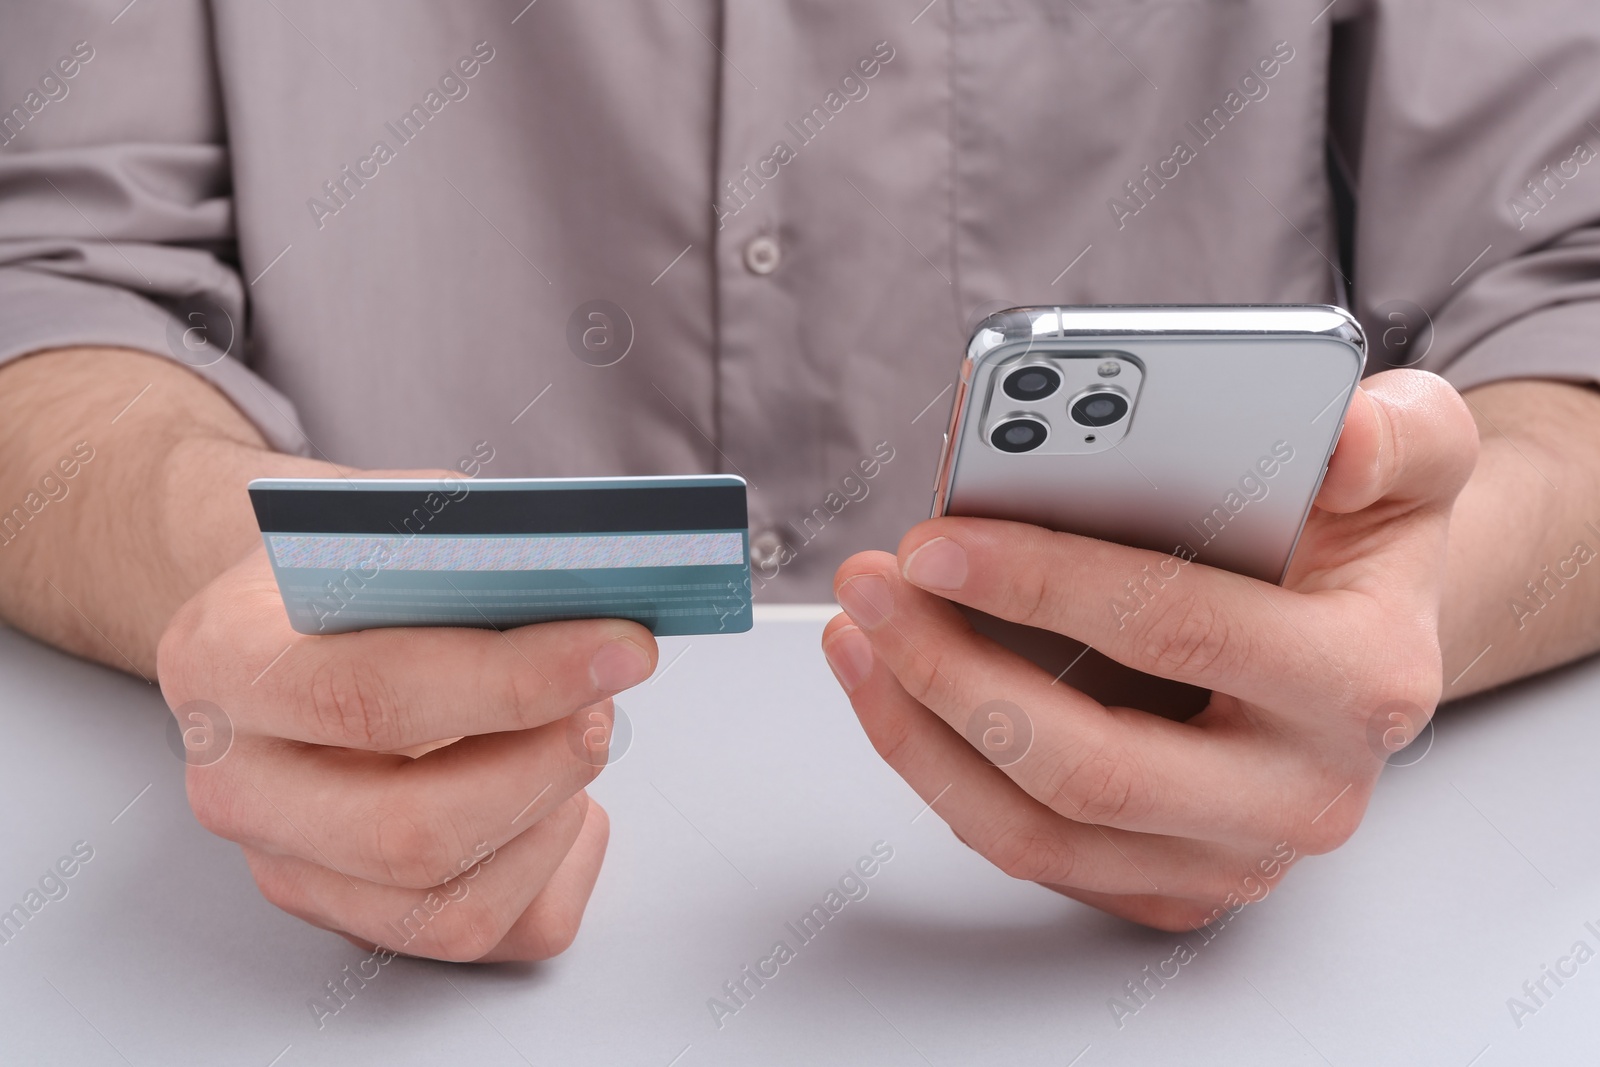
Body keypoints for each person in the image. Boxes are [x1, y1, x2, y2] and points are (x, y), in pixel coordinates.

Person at [1, 1, 1596, 958]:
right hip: (318, 965)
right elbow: (47, 286)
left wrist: (1410, 594)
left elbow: (1572, 295)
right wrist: (262, 592)